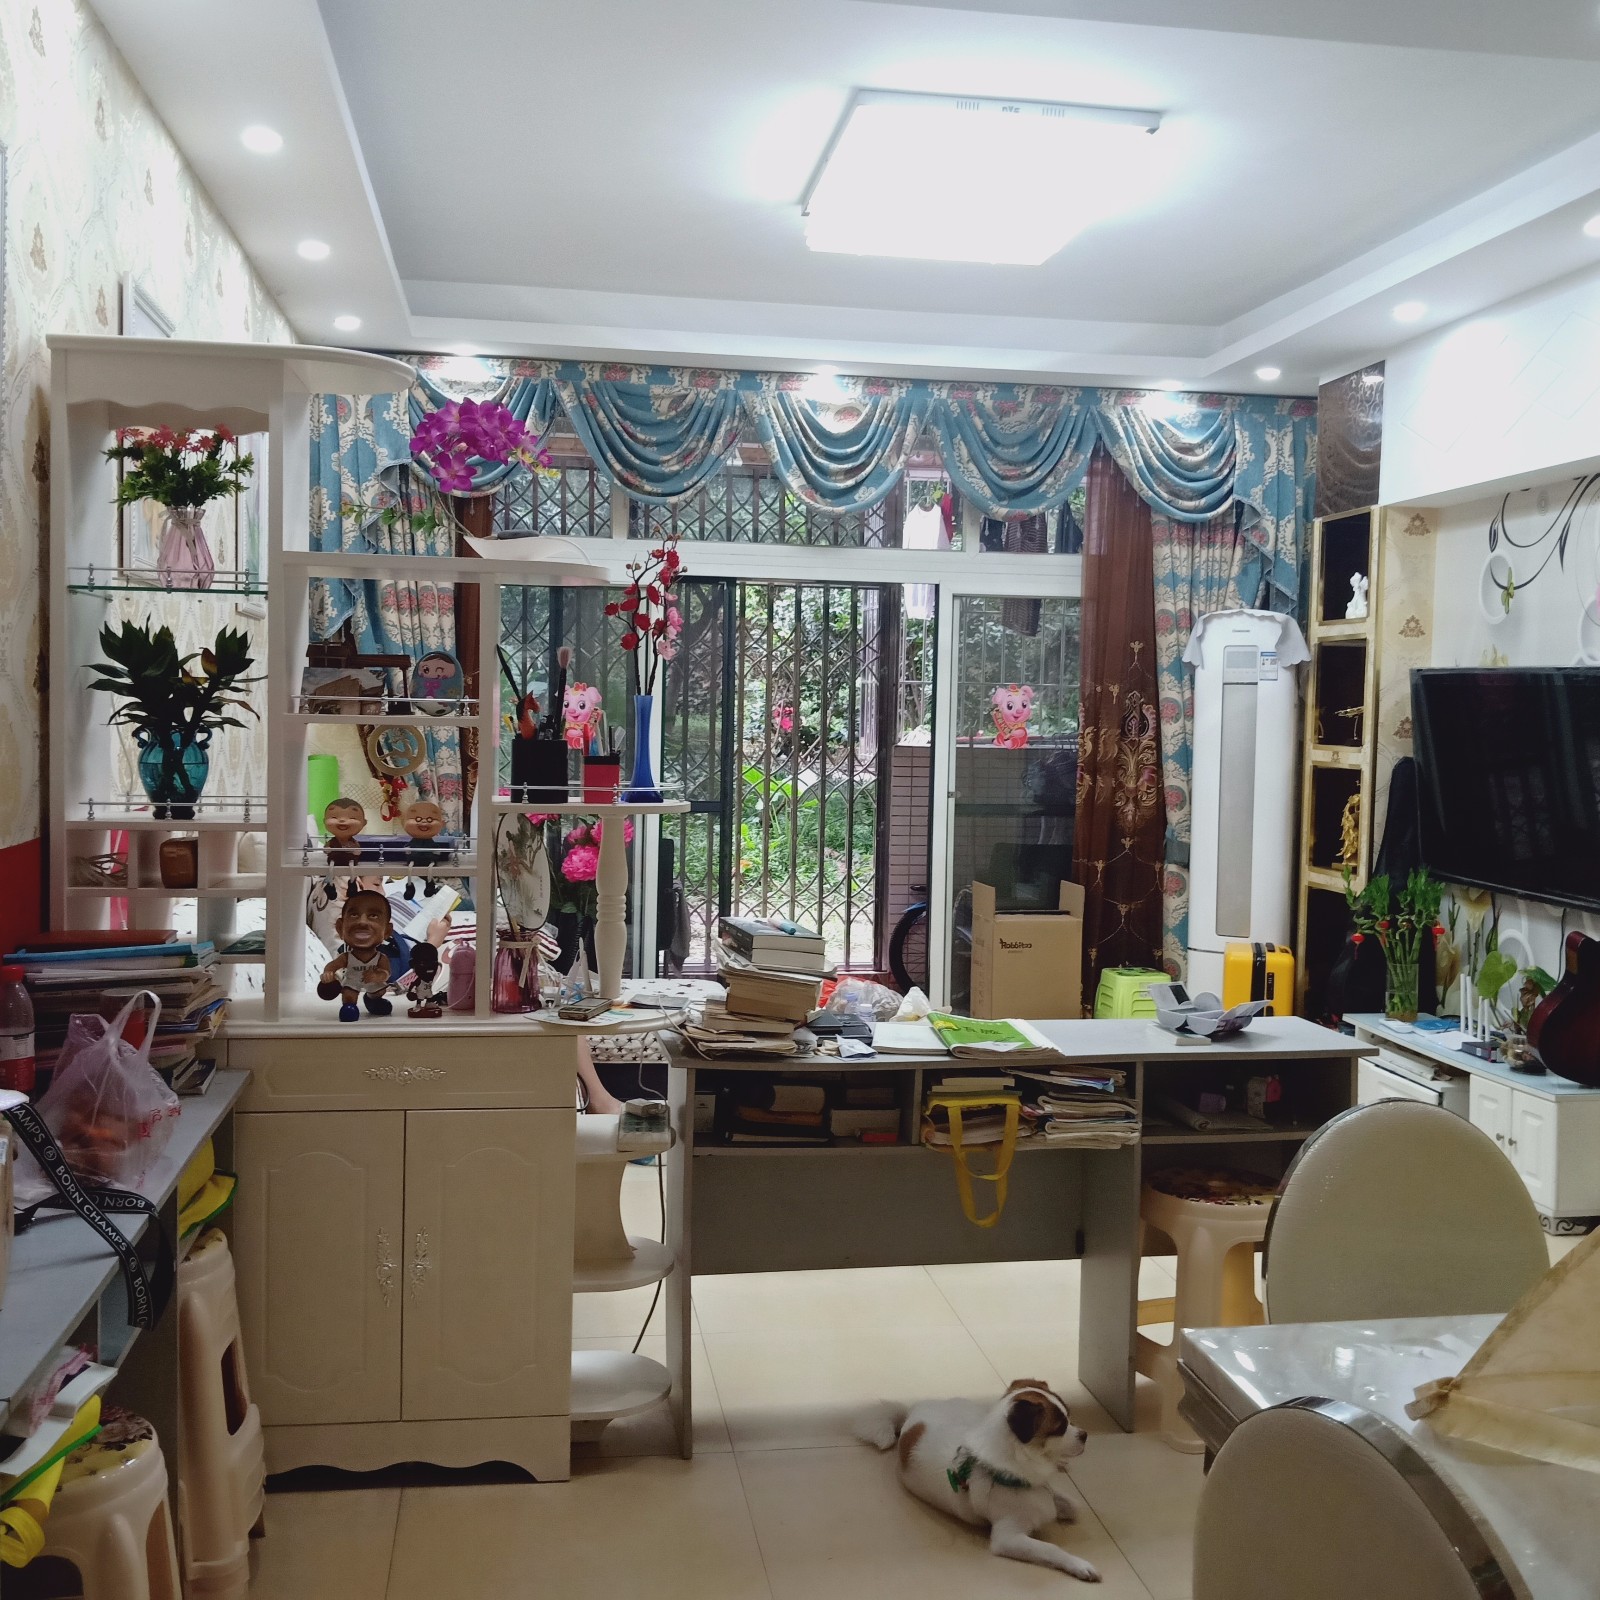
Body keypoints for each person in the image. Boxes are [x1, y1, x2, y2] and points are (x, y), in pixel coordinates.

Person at [316, 889, 395, 1021]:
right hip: (352, 982)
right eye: (354, 915)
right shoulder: (346, 957)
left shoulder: (381, 958)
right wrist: (328, 975)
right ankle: (349, 1007)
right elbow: (332, 966)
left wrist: (378, 976)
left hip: (373, 983)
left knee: (379, 992)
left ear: (387, 931)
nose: (362, 922)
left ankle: (372, 1001)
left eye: (373, 916)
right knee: (348, 995)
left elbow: (387, 972)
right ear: (340, 928)